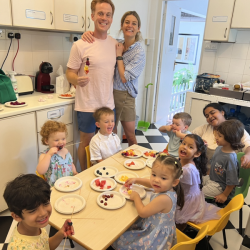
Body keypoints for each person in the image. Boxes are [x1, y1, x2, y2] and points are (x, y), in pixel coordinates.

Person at [66, 0, 117, 171]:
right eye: (100, 13)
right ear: (93, 16)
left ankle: (106, 173)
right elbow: (70, 73)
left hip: (108, 104)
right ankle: (84, 173)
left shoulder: (116, 45)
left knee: (107, 140)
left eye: (108, 14)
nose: (104, 18)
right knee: (86, 143)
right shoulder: (80, 44)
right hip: (87, 104)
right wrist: (75, 79)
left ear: (112, 18)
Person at [82, 11, 146, 146]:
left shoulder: (138, 51)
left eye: (134, 23)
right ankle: (114, 161)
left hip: (126, 96)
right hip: (110, 94)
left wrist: (119, 55)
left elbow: (124, 78)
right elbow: (101, 41)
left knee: (130, 136)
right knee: (111, 133)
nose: (130, 26)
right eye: (127, 22)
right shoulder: (117, 44)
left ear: (138, 28)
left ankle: (134, 163)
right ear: (122, 26)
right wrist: (87, 33)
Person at [110, 154, 184, 250]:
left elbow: (143, 212)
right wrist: (136, 180)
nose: (156, 180)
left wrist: (136, 197)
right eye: (154, 174)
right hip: (153, 225)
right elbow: (151, 183)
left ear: (174, 182)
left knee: (119, 239)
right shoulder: (167, 188)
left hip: (155, 236)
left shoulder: (164, 198)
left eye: (163, 178)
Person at [3, 174, 74, 250]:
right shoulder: (21, 247)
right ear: (17, 216)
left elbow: (45, 245)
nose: (43, 213)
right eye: (33, 210)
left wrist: (61, 234)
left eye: (46, 203)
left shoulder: (32, 226)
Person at [175, 134, 220, 231]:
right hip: (189, 194)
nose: (184, 147)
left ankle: (179, 231)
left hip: (186, 201)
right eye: (184, 143)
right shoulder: (184, 160)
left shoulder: (187, 170)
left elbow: (171, 184)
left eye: (190, 147)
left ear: (197, 154)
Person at [193, 103, 250, 169]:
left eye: (212, 113)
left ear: (222, 112)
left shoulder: (235, 128)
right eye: (207, 116)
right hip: (205, 171)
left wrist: (248, 155)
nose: (210, 117)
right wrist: (197, 141)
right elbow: (189, 137)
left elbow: (247, 143)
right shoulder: (204, 128)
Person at [202, 119, 245, 203]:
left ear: (230, 138)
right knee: (195, 181)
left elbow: (232, 182)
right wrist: (207, 177)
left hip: (221, 186)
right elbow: (213, 164)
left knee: (197, 193)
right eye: (217, 134)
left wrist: (224, 195)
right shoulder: (218, 149)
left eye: (220, 136)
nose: (216, 137)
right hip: (211, 179)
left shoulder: (230, 158)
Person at [36, 120, 78, 187]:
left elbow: (71, 164)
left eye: (63, 139)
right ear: (47, 141)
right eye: (56, 140)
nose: (61, 142)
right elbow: (40, 171)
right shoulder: (44, 155)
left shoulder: (66, 151)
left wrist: (75, 172)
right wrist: (49, 155)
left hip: (69, 183)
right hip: (55, 188)